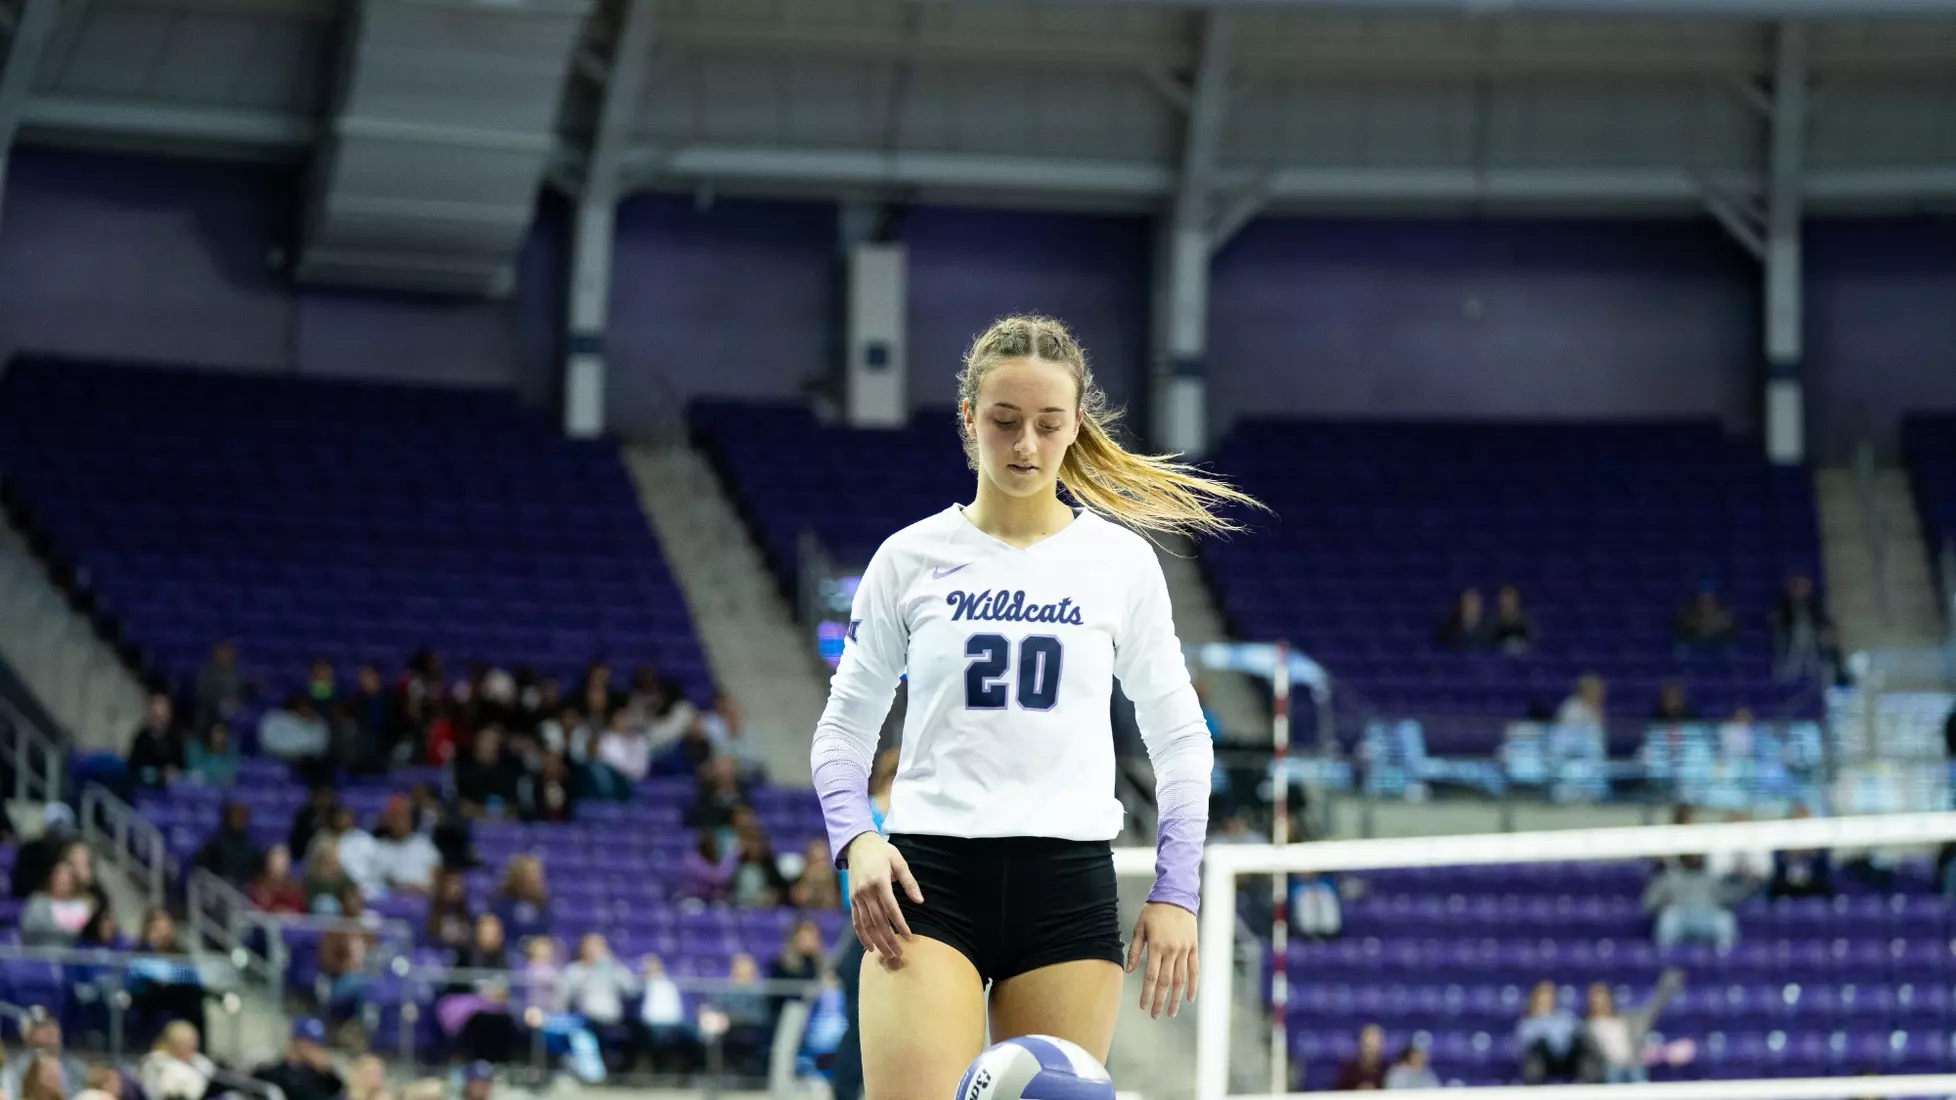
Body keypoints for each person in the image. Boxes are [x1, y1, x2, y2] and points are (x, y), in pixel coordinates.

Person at [811, 315, 1254, 1099]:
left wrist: (1176, 890)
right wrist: (856, 839)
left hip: (1068, 885)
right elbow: (844, 728)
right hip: (929, 881)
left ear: (1075, 425)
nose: (1024, 445)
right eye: (1004, 421)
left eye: (1048, 425)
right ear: (968, 420)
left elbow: (1183, 739)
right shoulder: (909, 558)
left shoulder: (1121, 564)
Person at [832, 748, 898, 1100]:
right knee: (859, 1028)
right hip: (861, 923)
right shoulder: (867, 816)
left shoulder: (905, 817)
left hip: (894, 925)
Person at [1582, 971, 1684, 1084]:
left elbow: (1650, 1013)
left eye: (1603, 999)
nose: (1600, 1003)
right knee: (1614, 1070)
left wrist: (1665, 990)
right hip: (1609, 1067)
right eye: (1596, 1000)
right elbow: (1592, 1055)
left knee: (1636, 1068)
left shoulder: (1624, 1020)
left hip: (1632, 1063)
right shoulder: (1588, 1027)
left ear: (1610, 1000)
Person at [255, 1018, 346, 1100]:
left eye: (318, 1044)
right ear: (297, 1042)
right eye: (310, 1042)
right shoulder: (280, 1071)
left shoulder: (318, 1072)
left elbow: (337, 1089)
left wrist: (326, 1070)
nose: (314, 1048)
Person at [1518, 981, 1587, 1084]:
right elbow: (1526, 1045)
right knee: (1540, 1044)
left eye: (1550, 996)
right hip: (1544, 1062)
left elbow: (1578, 1033)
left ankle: (1586, 1083)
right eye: (1543, 996)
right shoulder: (1528, 1023)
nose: (1547, 1000)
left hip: (1567, 1059)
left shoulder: (1565, 1017)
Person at [138, 1021, 214, 1100]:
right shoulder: (154, 1062)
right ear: (173, 1042)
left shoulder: (199, 1061)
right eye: (186, 1042)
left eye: (194, 1041)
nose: (193, 1045)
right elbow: (153, 1094)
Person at [1333, 1023, 1388, 1090]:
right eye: (1368, 1045)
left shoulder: (1388, 1069)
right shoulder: (1348, 1069)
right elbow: (1337, 1092)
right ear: (1361, 1043)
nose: (1372, 1047)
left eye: (1376, 1042)